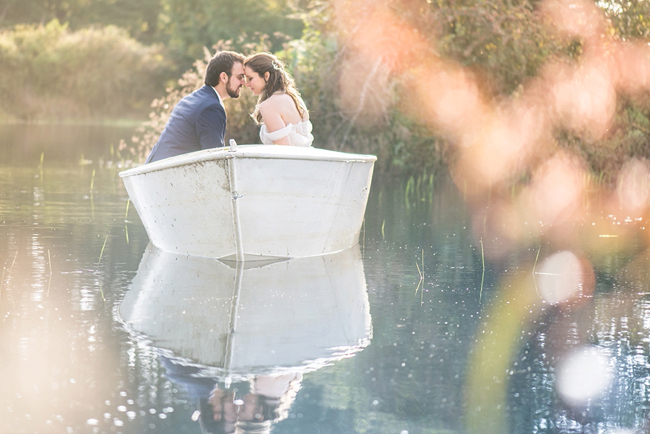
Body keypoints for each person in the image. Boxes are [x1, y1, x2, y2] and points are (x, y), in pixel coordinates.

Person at [145, 51, 246, 163]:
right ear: (223, 77)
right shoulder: (211, 108)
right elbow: (214, 159)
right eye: (240, 77)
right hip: (170, 174)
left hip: (153, 169)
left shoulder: (193, 98)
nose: (243, 82)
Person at [243, 53, 313, 147]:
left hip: (290, 161)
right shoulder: (294, 97)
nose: (246, 84)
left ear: (266, 76)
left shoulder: (268, 106)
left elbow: (283, 151)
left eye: (250, 78)